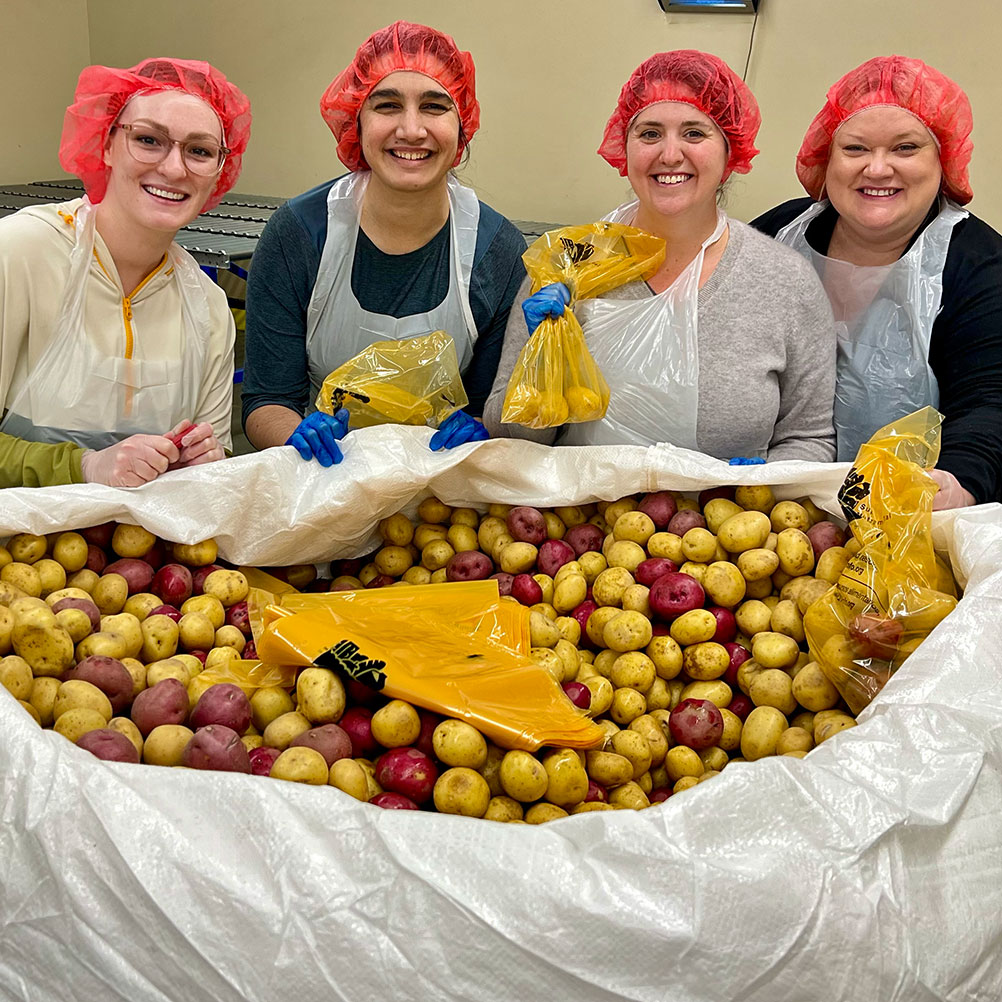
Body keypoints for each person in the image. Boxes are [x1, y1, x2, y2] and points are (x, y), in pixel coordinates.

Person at [481, 50, 836, 462]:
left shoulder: (785, 281)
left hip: (725, 521)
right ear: (625, 150)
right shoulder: (567, 267)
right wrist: (541, 370)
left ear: (729, 152)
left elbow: (807, 438)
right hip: (583, 521)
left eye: (694, 133)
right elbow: (508, 438)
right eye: (650, 133)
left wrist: (763, 484)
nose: (670, 155)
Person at [242, 20, 527, 467]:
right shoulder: (300, 233)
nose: (411, 130)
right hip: (322, 478)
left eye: (434, 106)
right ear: (357, 119)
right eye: (387, 105)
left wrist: (482, 430)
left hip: (444, 493)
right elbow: (266, 400)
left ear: (462, 127)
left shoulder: (496, 250)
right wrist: (297, 434)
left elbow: (492, 408)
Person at [752, 56, 1002, 508]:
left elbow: (991, 401)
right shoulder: (776, 236)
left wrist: (958, 480)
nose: (878, 169)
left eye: (905, 148)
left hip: (910, 516)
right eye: (855, 149)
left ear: (943, 160)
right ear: (825, 160)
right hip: (765, 511)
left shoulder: (980, 265)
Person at [0, 57, 251, 489]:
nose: (174, 168)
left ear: (219, 174)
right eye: (149, 140)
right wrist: (86, 466)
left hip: (141, 550)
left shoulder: (207, 307)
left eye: (199, 151)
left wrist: (207, 461)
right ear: (106, 145)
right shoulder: (21, 252)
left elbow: (214, 456)